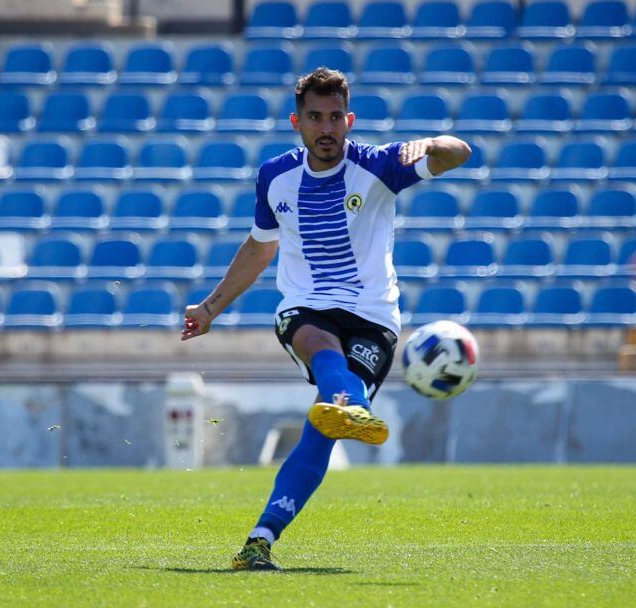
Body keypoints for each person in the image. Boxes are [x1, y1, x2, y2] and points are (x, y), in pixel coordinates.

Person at [181, 67, 471, 570]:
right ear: (298, 122)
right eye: (315, 117)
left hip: (374, 317)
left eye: (336, 117)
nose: (326, 128)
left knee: (321, 430)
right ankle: (352, 405)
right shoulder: (276, 176)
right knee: (318, 340)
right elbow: (259, 247)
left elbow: (459, 152)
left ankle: (260, 540)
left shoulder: (380, 165)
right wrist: (210, 308)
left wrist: (428, 143)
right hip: (305, 306)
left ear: (350, 120)